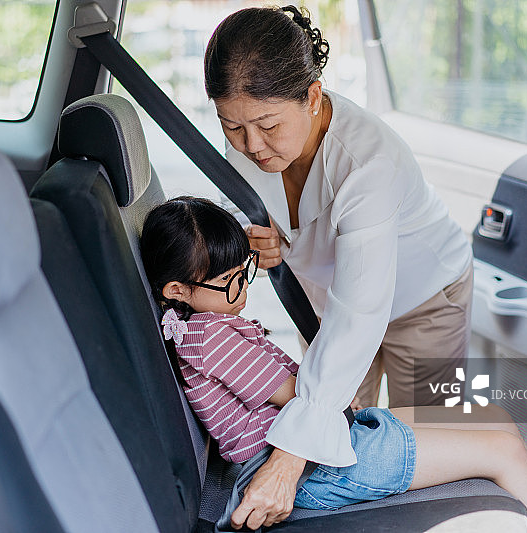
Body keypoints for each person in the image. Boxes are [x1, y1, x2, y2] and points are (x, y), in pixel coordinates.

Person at [138, 197, 527, 533]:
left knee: (493, 416)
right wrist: (327, 390)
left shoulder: (210, 320)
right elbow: (295, 393)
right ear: (177, 289)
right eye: (228, 281)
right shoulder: (209, 335)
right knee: (503, 451)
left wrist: (327, 392)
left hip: (320, 439)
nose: (243, 289)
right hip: (306, 468)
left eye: (245, 271)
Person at [203, 4, 475, 524]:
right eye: (233, 128)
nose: (251, 146)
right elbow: (250, 204)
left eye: (266, 126)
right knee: (343, 458)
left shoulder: (369, 161)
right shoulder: (249, 132)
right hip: (325, 307)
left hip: (425, 301)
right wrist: (260, 238)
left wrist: (288, 458)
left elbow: (361, 315)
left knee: (427, 448)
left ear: (311, 95)